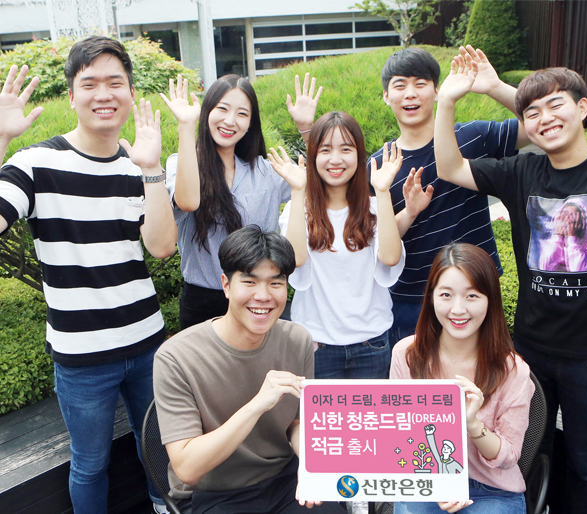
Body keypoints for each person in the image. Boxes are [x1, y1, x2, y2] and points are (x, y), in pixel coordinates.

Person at [432, 6, 587, 514]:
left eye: (557, 105)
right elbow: (450, 167)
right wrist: (448, 101)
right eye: (532, 113)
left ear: (583, 107)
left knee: (586, 462)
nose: (545, 119)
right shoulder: (521, 173)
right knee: (529, 451)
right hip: (530, 348)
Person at [0, 37, 177, 514]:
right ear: (72, 95)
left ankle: (164, 508)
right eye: (89, 83)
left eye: (114, 82)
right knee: (90, 462)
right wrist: (0, 140)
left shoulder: (138, 165)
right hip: (81, 358)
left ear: (131, 92)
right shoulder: (36, 163)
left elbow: (162, 247)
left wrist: (152, 169)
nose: (103, 94)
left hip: (147, 343)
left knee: (158, 445)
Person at [153, 225, 346, 514]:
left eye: (275, 283)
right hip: (212, 492)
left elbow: (296, 422)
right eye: (250, 282)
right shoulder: (176, 357)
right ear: (226, 285)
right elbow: (187, 470)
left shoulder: (297, 339)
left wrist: (309, 461)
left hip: (283, 479)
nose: (263, 295)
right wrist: (257, 405)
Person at [369, 46, 530, 348]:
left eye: (420, 83)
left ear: (437, 91)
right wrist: (409, 212)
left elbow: (537, 126)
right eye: (400, 86)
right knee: (416, 379)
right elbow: (375, 241)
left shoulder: (472, 137)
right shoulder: (378, 165)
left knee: (483, 375)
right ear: (386, 96)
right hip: (410, 300)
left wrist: (495, 87)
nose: (410, 94)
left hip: (475, 291)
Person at [161, 73, 320, 329]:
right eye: (222, 109)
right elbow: (187, 202)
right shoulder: (181, 163)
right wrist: (186, 126)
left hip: (259, 299)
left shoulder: (266, 170)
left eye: (242, 114)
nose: (230, 120)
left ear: (250, 124)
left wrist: (307, 129)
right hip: (203, 303)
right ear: (207, 112)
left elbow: (323, 182)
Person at [390, 243, 534, 514]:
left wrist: (471, 423)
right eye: (446, 294)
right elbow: (400, 433)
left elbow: (509, 457)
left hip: (492, 490)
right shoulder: (407, 355)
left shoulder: (513, 370)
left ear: (490, 300)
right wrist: (437, 484)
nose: (458, 309)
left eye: (472, 296)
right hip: (427, 478)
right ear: (431, 297)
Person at [270, 111, 405, 379]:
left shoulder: (375, 207)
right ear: (313, 156)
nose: (335, 159)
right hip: (316, 344)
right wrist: (297, 191)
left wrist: (382, 191)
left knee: (369, 410)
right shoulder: (298, 210)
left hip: (371, 342)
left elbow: (390, 257)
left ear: (359, 155)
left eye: (345, 149)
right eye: (325, 150)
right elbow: (294, 260)